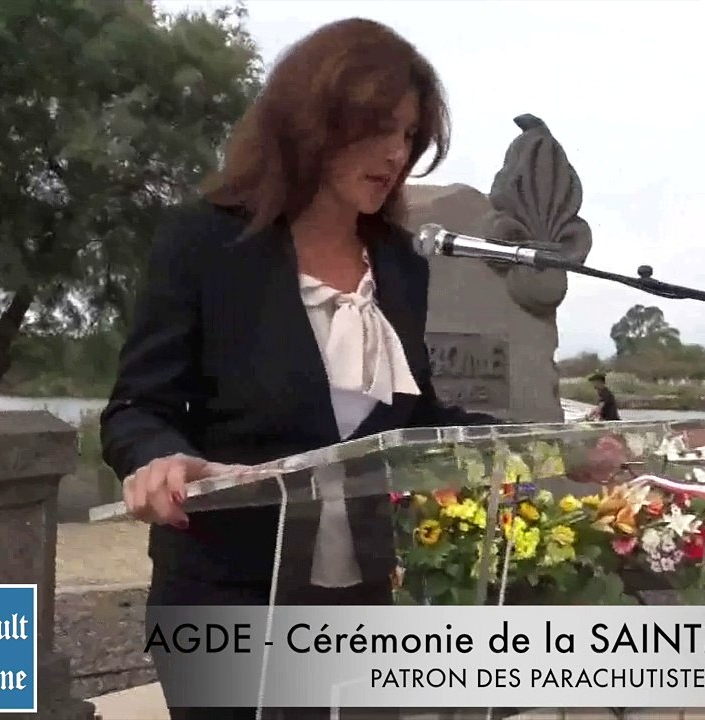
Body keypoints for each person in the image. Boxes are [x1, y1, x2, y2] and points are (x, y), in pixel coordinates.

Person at [99, 18, 501, 720]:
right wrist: (160, 458)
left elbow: (416, 417)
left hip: (362, 598)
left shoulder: (401, 266)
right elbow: (138, 406)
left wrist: (545, 450)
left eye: (408, 136)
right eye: (377, 128)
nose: (394, 153)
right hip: (226, 596)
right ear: (311, 121)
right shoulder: (206, 242)